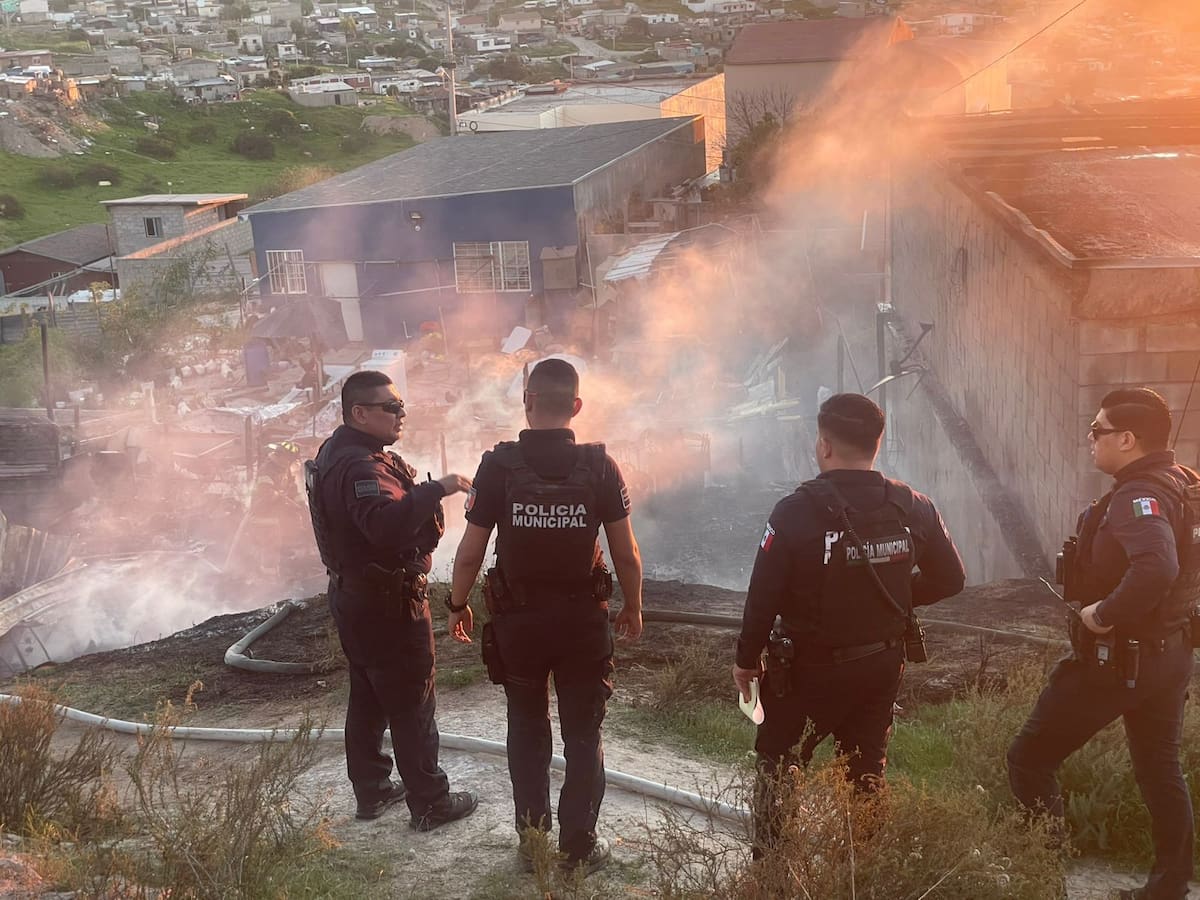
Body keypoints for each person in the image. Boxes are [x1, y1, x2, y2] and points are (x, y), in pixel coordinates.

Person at [731, 392, 965, 854]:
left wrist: (745, 661)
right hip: (881, 664)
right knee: (866, 772)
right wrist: (893, 604)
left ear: (823, 445)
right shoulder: (913, 505)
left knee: (780, 766)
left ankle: (774, 878)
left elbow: (764, 596)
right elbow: (951, 578)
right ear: (876, 444)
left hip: (808, 671)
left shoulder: (794, 511)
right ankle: (865, 875)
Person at [446, 358, 644, 875]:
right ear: (576, 406)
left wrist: (457, 604)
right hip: (584, 624)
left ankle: (532, 841)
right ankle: (579, 846)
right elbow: (625, 553)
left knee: (527, 728)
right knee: (584, 734)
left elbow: (469, 551)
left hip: (520, 625)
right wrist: (635, 606)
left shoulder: (498, 466)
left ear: (527, 402)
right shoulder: (600, 466)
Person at [1008, 388, 1196, 900]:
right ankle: (1169, 887)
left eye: (1098, 431)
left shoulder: (1138, 498)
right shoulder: (1183, 483)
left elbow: (1159, 565)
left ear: (1128, 439)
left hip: (1119, 660)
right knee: (1160, 767)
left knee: (1029, 758)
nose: (1090, 440)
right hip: (1170, 653)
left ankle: (1043, 883)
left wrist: (1102, 614)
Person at [305, 370, 479, 829]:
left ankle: (373, 791)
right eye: (390, 407)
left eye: (401, 405)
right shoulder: (361, 467)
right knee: (411, 701)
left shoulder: (336, 453)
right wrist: (436, 488)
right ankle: (430, 803)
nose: (400, 414)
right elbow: (383, 528)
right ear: (359, 413)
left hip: (355, 597)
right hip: (387, 606)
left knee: (368, 696)